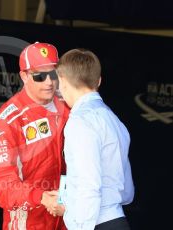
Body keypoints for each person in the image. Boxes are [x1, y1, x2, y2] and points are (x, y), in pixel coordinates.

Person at [0, 42, 70, 230]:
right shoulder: (7, 121)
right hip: (29, 221)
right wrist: (42, 197)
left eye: (53, 73)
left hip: (68, 219)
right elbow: (0, 185)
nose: (49, 82)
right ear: (24, 76)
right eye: (39, 75)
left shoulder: (70, 106)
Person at [56, 48, 135, 230]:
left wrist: (77, 223)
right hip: (116, 218)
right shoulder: (114, 120)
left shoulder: (80, 122)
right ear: (98, 81)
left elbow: (88, 183)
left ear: (63, 82)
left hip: (95, 223)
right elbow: (127, 190)